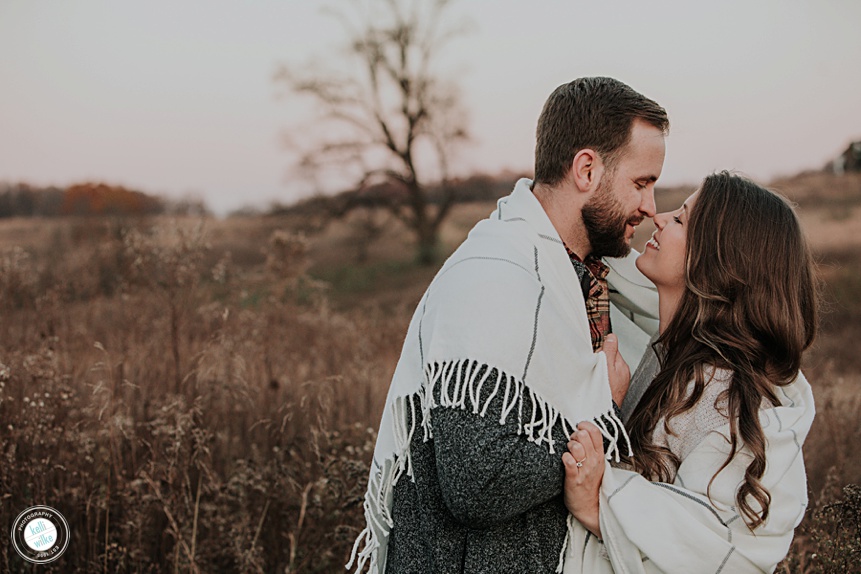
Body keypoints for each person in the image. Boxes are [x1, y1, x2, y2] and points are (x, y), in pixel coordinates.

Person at [347, 76, 668, 573]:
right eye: (641, 183)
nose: (650, 206)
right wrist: (605, 411)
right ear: (586, 169)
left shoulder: (581, 280)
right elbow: (476, 480)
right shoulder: (496, 276)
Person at [561, 171, 818, 573]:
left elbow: (699, 548)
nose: (659, 218)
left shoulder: (716, 395)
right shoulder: (670, 355)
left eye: (680, 219)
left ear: (719, 261)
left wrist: (598, 506)